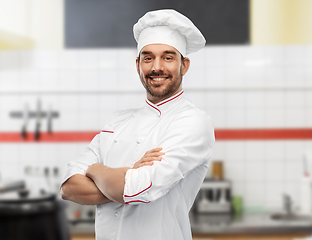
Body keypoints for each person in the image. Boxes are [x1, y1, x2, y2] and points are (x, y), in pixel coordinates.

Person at [60, 9, 215, 240]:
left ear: (184, 65)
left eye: (168, 57)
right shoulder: (117, 121)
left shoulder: (192, 122)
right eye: (148, 57)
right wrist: (125, 176)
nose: (156, 67)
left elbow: (136, 189)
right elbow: (69, 188)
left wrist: (95, 170)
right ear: (138, 64)